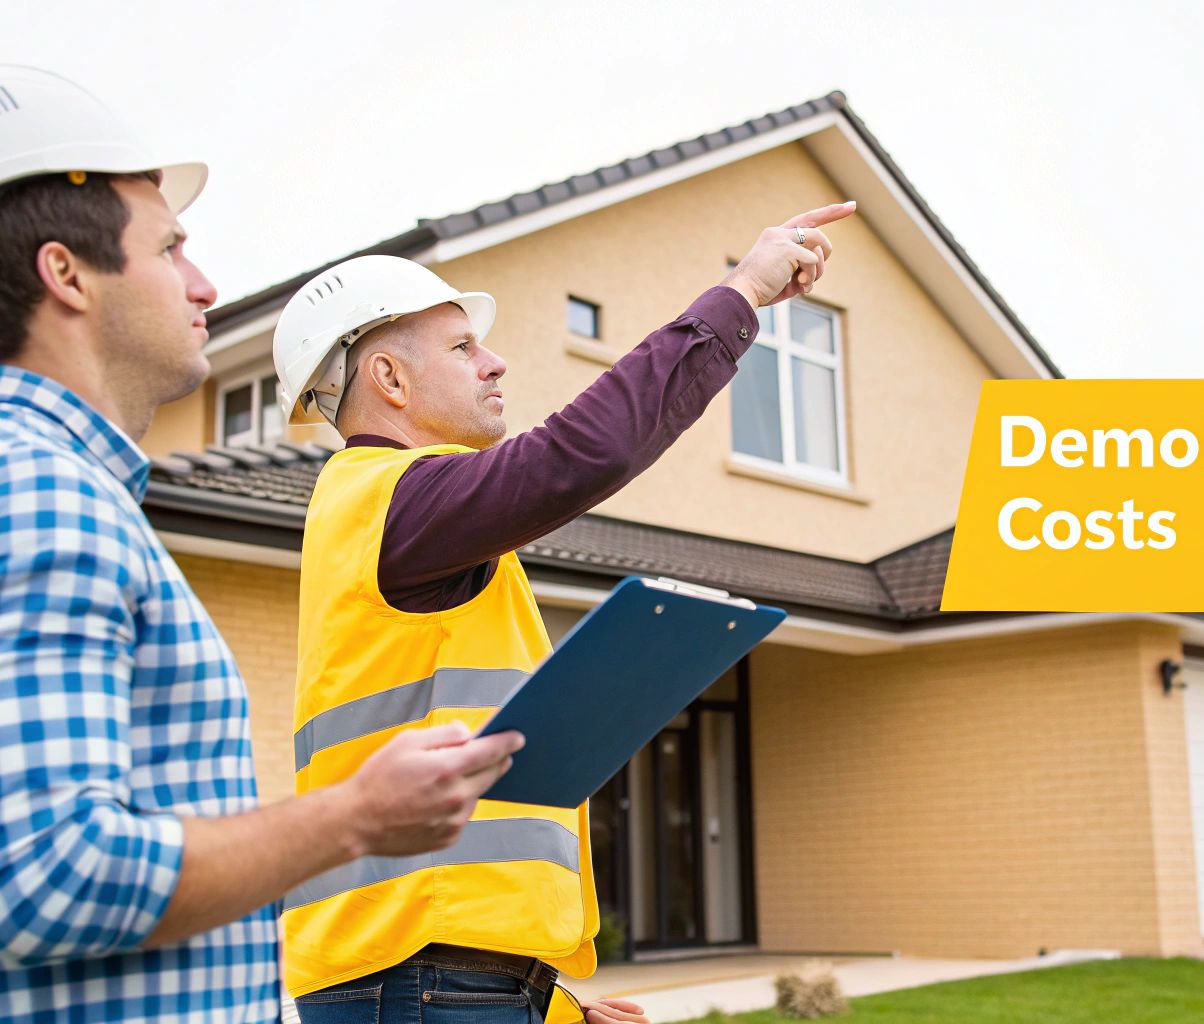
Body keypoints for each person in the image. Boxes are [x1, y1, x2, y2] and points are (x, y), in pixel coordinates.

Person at [0, 64, 523, 1023]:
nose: (205, 282)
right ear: (66, 273)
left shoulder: (61, 498)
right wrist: (355, 817)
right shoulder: (26, 500)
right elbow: (47, 878)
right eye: (170, 247)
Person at [271, 201, 856, 1023]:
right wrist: (740, 295)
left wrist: (553, 1009)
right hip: (417, 979)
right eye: (464, 346)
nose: (496, 362)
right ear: (390, 381)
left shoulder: (414, 523)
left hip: (442, 978)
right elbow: (580, 455)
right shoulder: (390, 502)